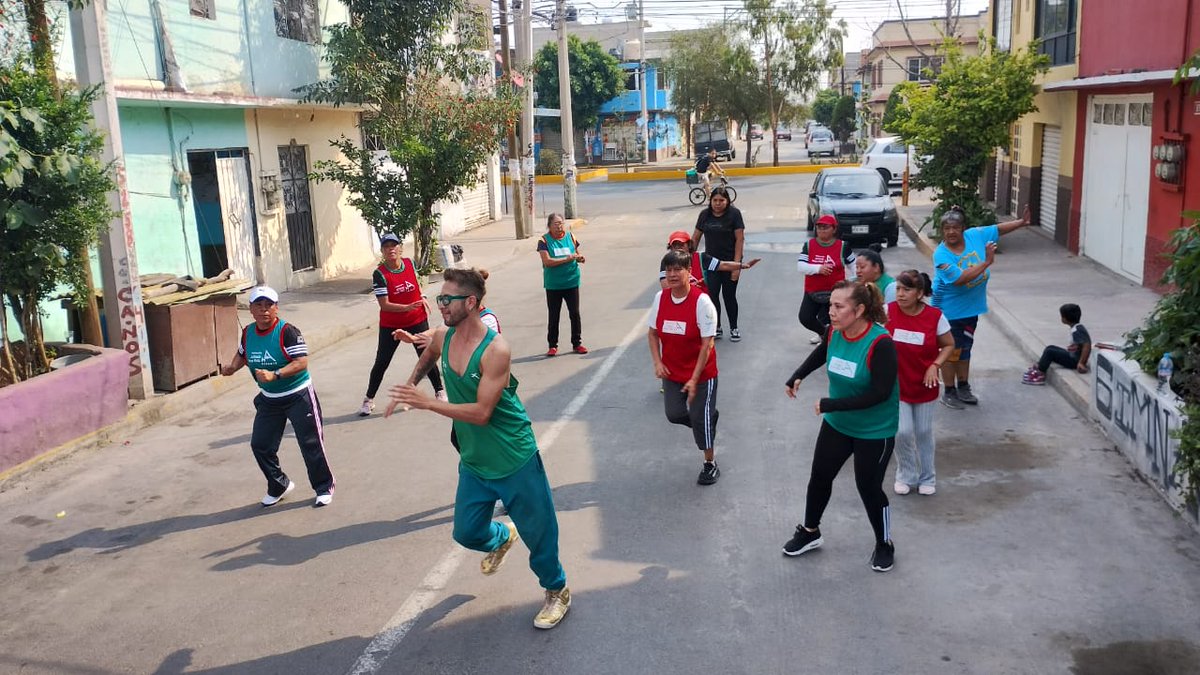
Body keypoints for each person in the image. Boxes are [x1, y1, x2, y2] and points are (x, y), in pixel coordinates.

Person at [386, 268, 572, 629]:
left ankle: (557, 589)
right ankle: (502, 536)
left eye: (447, 300)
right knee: (467, 532)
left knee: (540, 533)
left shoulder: (495, 350)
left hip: (513, 456)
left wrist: (427, 403)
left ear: (470, 303)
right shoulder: (445, 335)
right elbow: (428, 352)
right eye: (440, 299)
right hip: (474, 459)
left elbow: (482, 413)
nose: (441, 305)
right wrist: (408, 386)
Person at [781, 280, 899, 572]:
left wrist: (831, 404)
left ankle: (884, 543)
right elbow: (823, 350)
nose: (830, 311)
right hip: (838, 425)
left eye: (838, 306)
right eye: (831, 304)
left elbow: (880, 393)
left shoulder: (880, 343)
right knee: (820, 476)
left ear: (859, 310)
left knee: (869, 487)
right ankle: (810, 531)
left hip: (875, 429)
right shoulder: (835, 331)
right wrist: (798, 374)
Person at [220, 286, 335, 508]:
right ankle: (278, 484)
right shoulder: (248, 332)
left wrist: (276, 374)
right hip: (270, 399)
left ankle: (323, 487)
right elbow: (243, 354)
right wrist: (232, 368)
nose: (264, 310)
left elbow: (301, 362)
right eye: (258, 306)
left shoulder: (288, 332)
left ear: (276, 308)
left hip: (298, 395)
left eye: (268, 305)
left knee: (310, 442)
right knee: (260, 445)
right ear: (251, 309)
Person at [648, 249, 753, 486]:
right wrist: (657, 362)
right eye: (669, 270)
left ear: (689, 272)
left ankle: (710, 463)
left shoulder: (702, 302)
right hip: (673, 372)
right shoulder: (660, 298)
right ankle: (705, 420)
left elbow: (707, 345)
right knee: (674, 414)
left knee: (700, 418)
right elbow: (652, 334)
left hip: (702, 374)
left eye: (679, 269)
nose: (673, 275)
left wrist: (694, 379)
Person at [931, 204, 1031, 409]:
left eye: (955, 227)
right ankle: (949, 391)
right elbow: (959, 279)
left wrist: (1021, 223)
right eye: (946, 228)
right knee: (951, 351)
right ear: (942, 231)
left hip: (971, 309)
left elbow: (997, 229)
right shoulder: (941, 255)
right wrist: (986, 263)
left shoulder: (974, 235)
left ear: (963, 228)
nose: (951, 232)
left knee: (965, 348)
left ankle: (964, 386)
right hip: (948, 310)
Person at [358, 233, 444, 416]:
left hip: (417, 319)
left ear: (400, 248)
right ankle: (368, 400)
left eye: (394, 245)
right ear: (382, 251)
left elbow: (415, 284)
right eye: (387, 246)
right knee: (382, 361)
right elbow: (384, 304)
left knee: (426, 356)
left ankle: (440, 391)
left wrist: (422, 296)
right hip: (391, 325)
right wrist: (407, 307)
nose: (391, 249)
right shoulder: (380, 274)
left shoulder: (409, 263)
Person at [885, 270, 954, 496]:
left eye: (907, 289)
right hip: (897, 385)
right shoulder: (888, 312)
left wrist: (935, 365)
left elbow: (949, 345)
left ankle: (928, 477)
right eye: (898, 289)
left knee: (923, 431)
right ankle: (906, 475)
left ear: (920, 293)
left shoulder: (935, 316)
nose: (901, 294)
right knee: (902, 432)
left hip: (925, 384)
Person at [691, 186, 746, 342]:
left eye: (721, 200)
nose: (717, 203)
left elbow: (739, 239)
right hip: (710, 264)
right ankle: (717, 326)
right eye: (714, 200)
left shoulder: (734, 215)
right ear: (710, 201)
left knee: (729, 296)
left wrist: (737, 265)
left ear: (727, 201)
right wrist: (688, 258)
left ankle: (734, 327)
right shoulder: (704, 215)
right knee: (712, 295)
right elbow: (695, 237)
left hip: (729, 263)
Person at [797, 214, 856, 345]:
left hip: (835, 293)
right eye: (819, 227)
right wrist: (818, 269)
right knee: (805, 318)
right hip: (812, 291)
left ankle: (829, 341)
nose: (822, 230)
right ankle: (824, 334)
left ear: (834, 229)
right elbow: (801, 266)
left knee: (830, 318)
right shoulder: (809, 245)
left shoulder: (843, 246)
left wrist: (852, 283)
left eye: (826, 227)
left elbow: (854, 266)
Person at [538, 213, 587, 357]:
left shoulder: (571, 237)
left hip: (571, 281)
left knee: (574, 313)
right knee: (554, 315)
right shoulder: (544, 241)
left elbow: (576, 253)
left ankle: (577, 343)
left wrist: (580, 258)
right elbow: (547, 262)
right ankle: (552, 345)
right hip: (554, 285)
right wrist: (567, 259)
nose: (559, 226)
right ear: (549, 225)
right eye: (556, 224)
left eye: (561, 223)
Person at [658, 230, 761, 291]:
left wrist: (743, 265)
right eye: (674, 245)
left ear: (689, 245)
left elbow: (723, 265)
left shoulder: (701, 258)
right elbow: (666, 287)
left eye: (681, 245)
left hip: (699, 303)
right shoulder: (666, 261)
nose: (678, 248)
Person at [1022, 303, 1092, 385]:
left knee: (1050, 352)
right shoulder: (1076, 327)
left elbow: (1087, 345)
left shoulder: (1077, 330)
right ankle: (1041, 364)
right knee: (1050, 347)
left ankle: (1040, 373)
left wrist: (1081, 363)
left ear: (1065, 318)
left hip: (1074, 361)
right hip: (1072, 356)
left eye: (1061, 316)